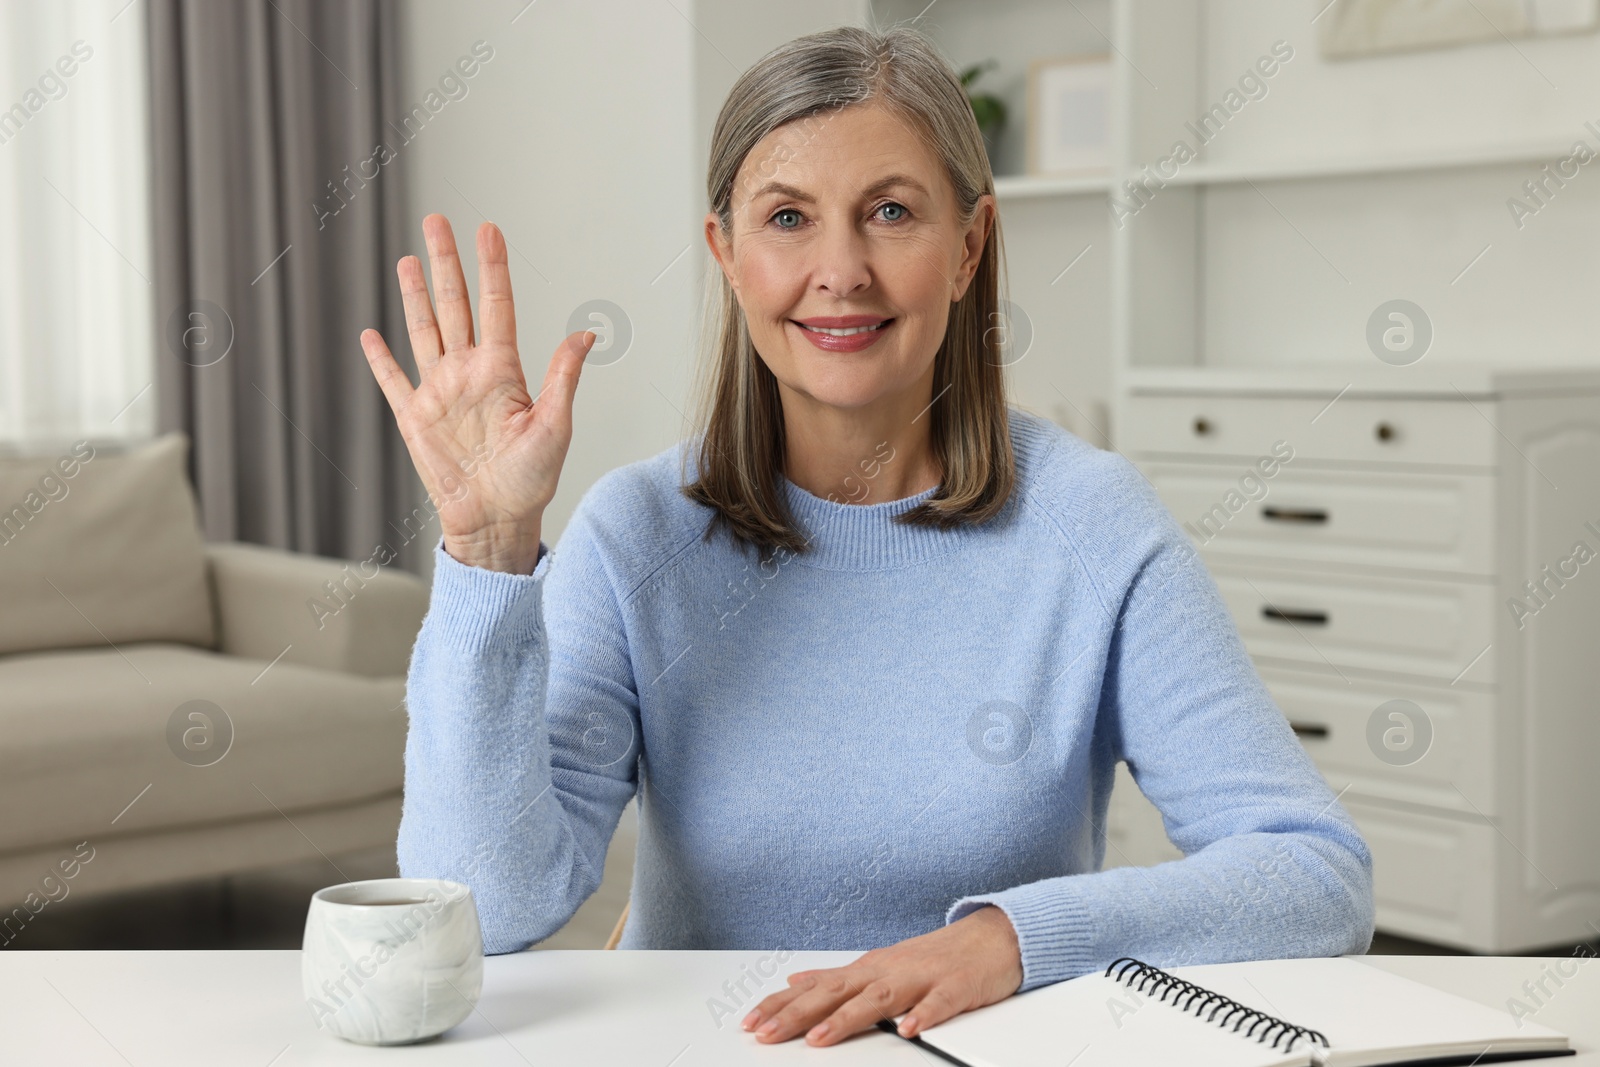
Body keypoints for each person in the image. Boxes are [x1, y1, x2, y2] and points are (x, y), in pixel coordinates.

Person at [358, 23, 1373, 1051]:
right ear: (727, 253)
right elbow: (481, 904)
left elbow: (1311, 870)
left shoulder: (1092, 524)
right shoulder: (638, 534)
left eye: (890, 212)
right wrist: (489, 554)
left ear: (968, 245)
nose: (840, 270)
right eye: (788, 217)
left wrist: (1008, 939)